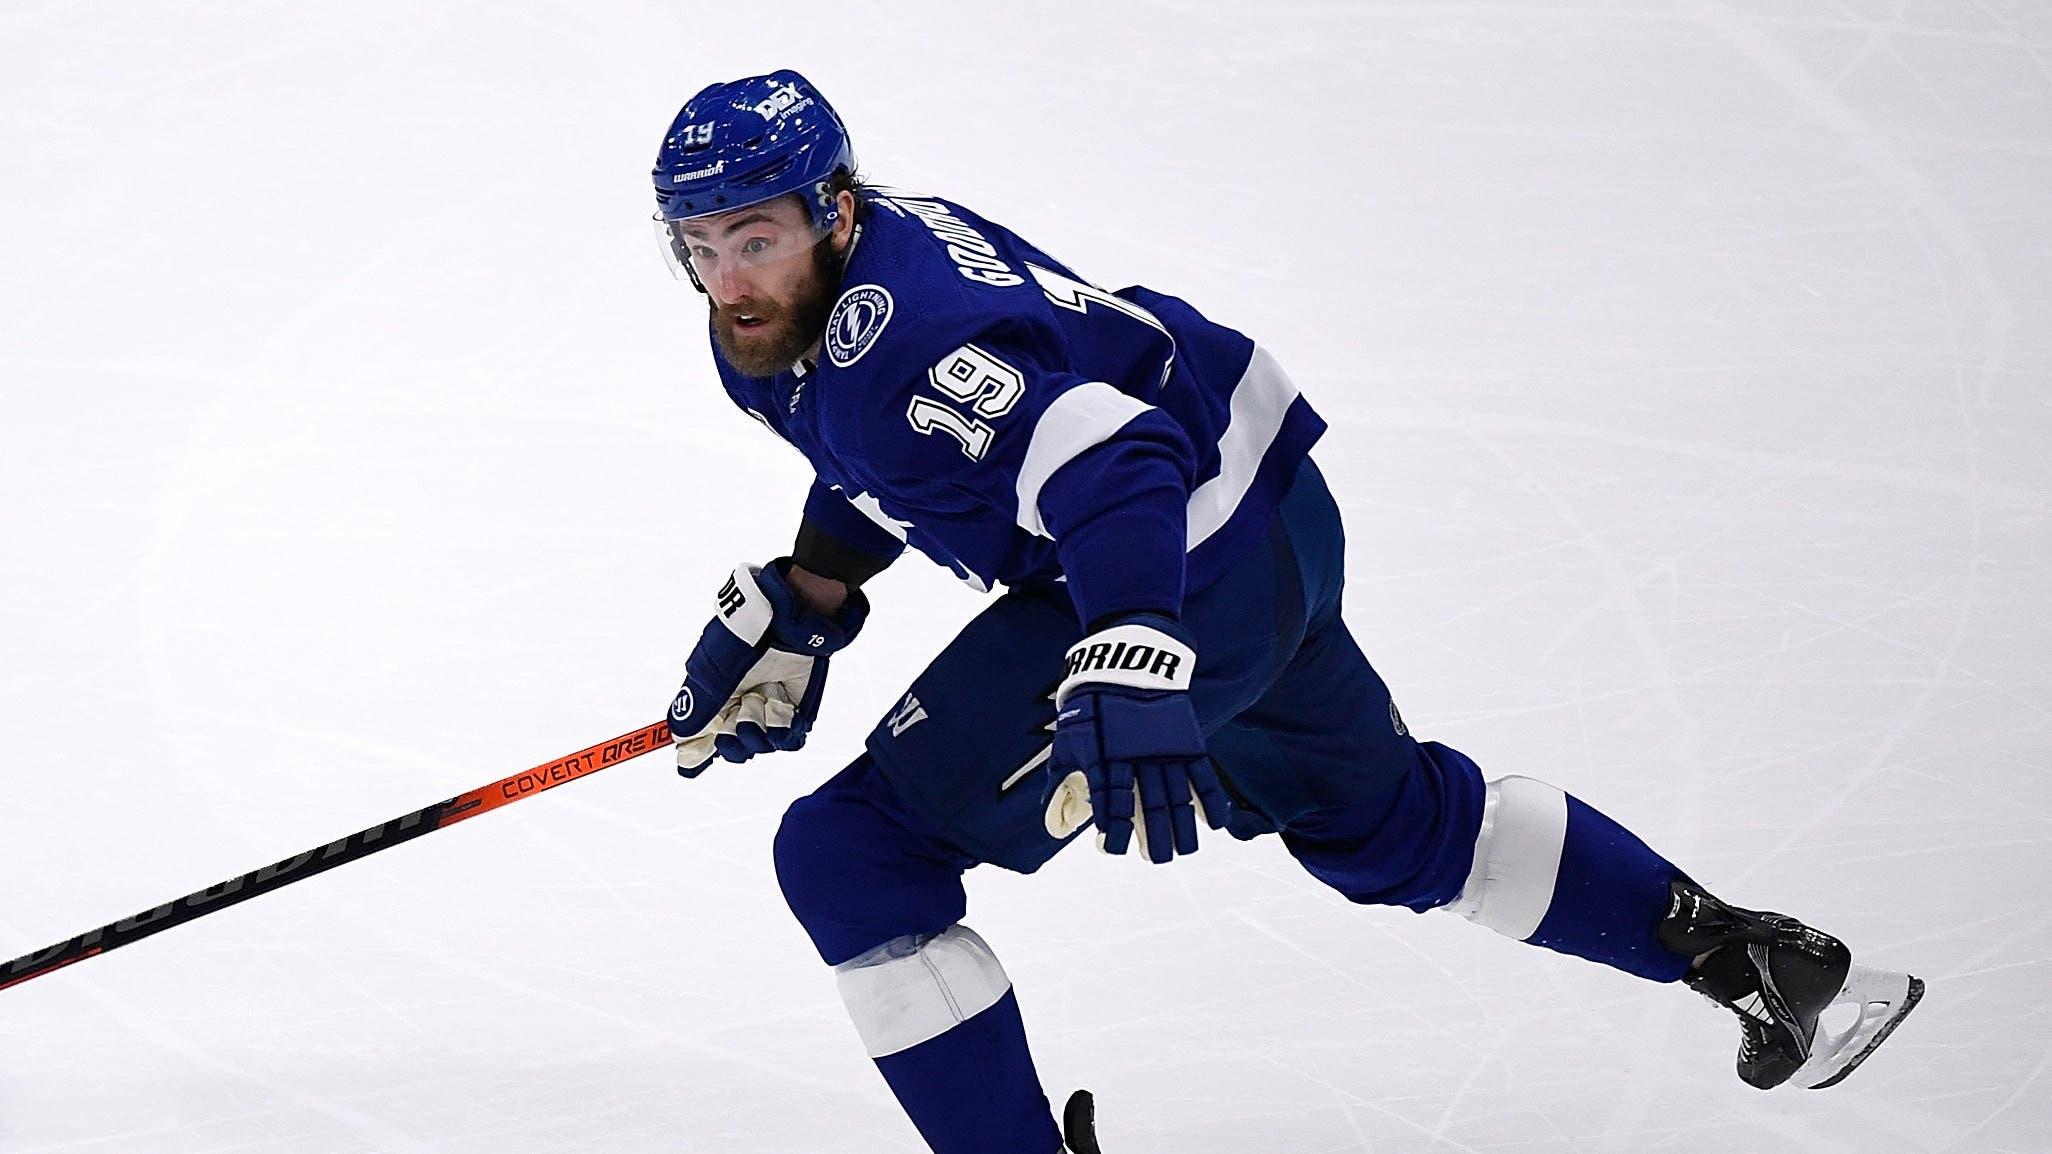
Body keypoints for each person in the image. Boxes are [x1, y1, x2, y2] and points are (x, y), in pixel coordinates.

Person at [652, 71, 1921, 1154]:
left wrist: (1137, 642)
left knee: (852, 856)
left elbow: (1110, 458)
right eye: (698, 244)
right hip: (1275, 525)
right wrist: (809, 596)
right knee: (1396, 824)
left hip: (1177, 563)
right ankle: (1762, 962)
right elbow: (925, 445)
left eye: (754, 235)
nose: (728, 276)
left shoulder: (899, 345)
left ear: (836, 209)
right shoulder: (820, 301)